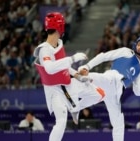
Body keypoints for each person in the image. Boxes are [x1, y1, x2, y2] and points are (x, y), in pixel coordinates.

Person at [33, 12, 104, 141]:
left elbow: (63, 67)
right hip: (55, 90)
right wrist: (72, 58)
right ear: (60, 27)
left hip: (67, 83)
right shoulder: (44, 50)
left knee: (100, 94)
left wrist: (78, 76)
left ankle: (75, 108)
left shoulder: (59, 43)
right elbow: (50, 68)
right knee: (61, 121)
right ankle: (73, 108)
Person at [78, 36, 140, 141]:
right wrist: (87, 66)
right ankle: (78, 78)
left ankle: (75, 101)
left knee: (119, 124)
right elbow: (104, 56)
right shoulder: (126, 52)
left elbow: (137, 92)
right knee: (98, 79)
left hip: (116, 93)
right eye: (139, 44)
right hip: (113, 78)